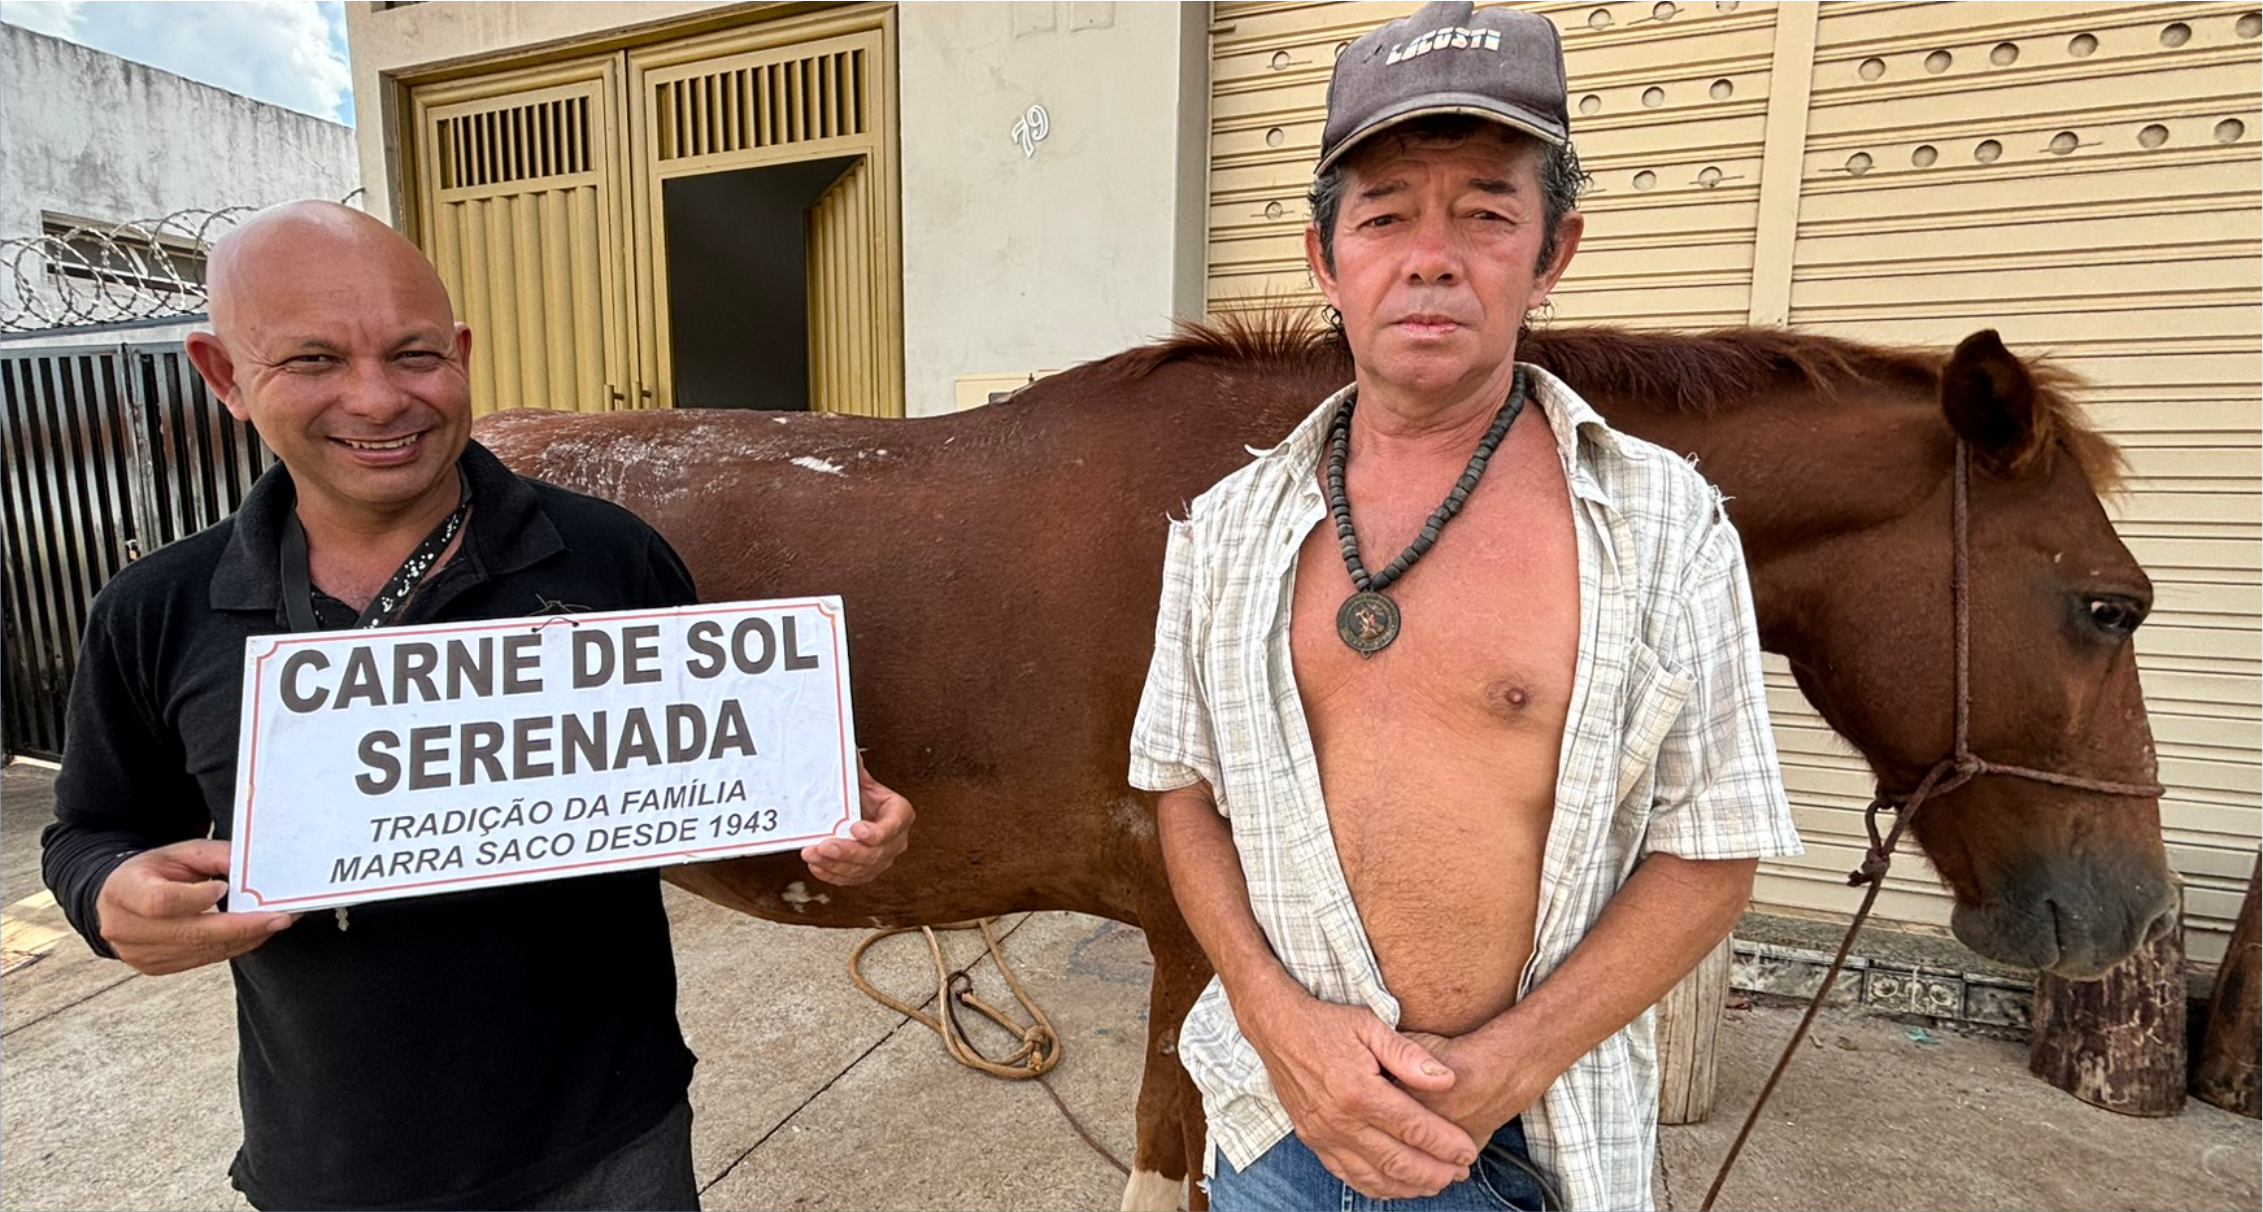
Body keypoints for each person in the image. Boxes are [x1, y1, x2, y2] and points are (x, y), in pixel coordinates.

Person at [39, 200, 915, 1212]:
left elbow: (725, 775)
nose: (377, 400)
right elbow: (91, 829)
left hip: (614, 1140)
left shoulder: (610, 559)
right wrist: (107, 897)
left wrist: (833, 812)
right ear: (224, 375)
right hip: (337, 1161)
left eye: (413, 355)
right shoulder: (158, 609)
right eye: (313, 360)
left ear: (459, 355)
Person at [1128, 4, 1801, 1209]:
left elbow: (1713, 844)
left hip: (1525, 1139)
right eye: (1384, 216)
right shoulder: (1225, 524)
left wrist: (1506, 1067)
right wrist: (1276, 1021)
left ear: (1551, 253)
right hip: (1275, 1125)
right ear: (1325, 257)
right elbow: (1183, 790)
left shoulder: (1662, 520)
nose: (1430, 258)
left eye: (1486, 214)